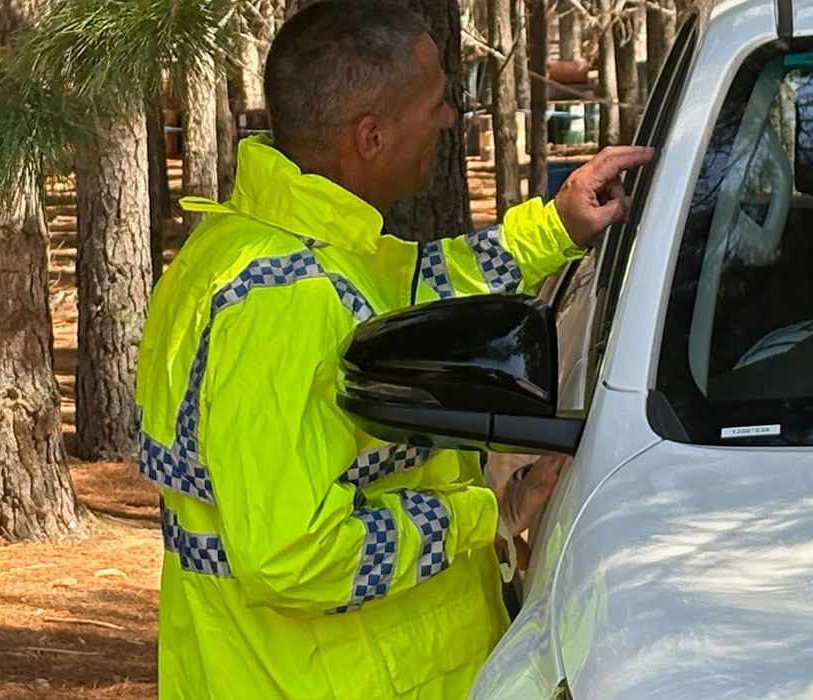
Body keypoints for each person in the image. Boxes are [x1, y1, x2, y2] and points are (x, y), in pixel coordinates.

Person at [133, 2, 653, 697]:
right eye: (436, 104)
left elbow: (413, 292)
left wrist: (552, 228)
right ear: (371, 136)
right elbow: (294, 555)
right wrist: (480, 516)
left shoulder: (278, 247)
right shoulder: (281, 303)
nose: (449, 119)